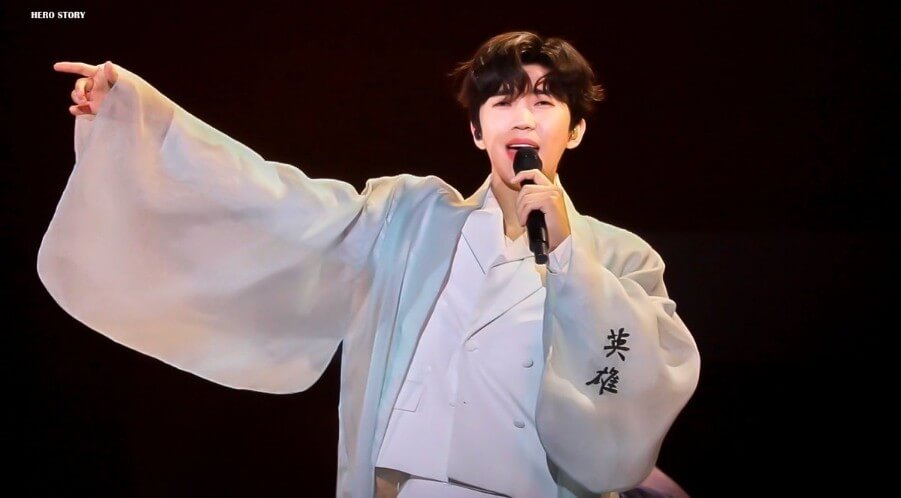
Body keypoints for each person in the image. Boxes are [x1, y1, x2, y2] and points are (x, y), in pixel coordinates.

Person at [40, 32, 700, 498]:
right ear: (476, 129)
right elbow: (274, 198)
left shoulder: (619, 256)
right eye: (502, 101)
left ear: (575, 129)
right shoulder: (407, 217)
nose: (521, 117)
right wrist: (142, 118)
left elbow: (642, 375)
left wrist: (568, 254)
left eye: (544, 101)